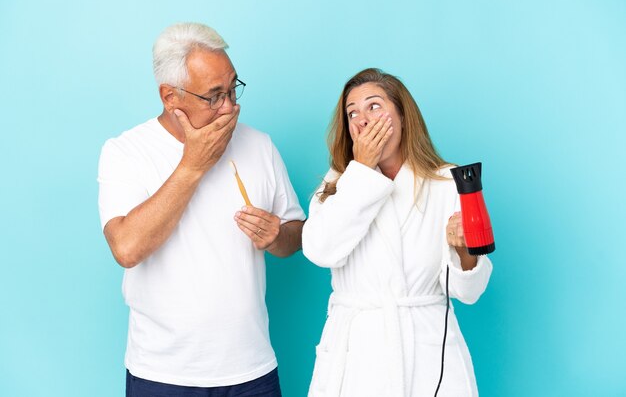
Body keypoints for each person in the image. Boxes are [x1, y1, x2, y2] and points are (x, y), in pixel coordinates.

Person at [97, 22, 305, 396]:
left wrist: (277, 236)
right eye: (213, 96)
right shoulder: (126, 152)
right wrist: (192, 166)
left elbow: (296, 235)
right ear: (169, 96)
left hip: (252, 371)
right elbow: (126, 248)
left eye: (232, 89)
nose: (230, 107)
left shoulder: (260, 145)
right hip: (161, 374)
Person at [302, 68, 493, 397]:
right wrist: (361, 171)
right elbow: (319, 251)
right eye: (352, 113)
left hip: (426, 352)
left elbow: (470, 292)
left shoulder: (448, 182)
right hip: (355, 356)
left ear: (403, 117)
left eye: (374, 106)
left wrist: (464, 250)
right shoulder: (336, 185)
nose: (363, 120)